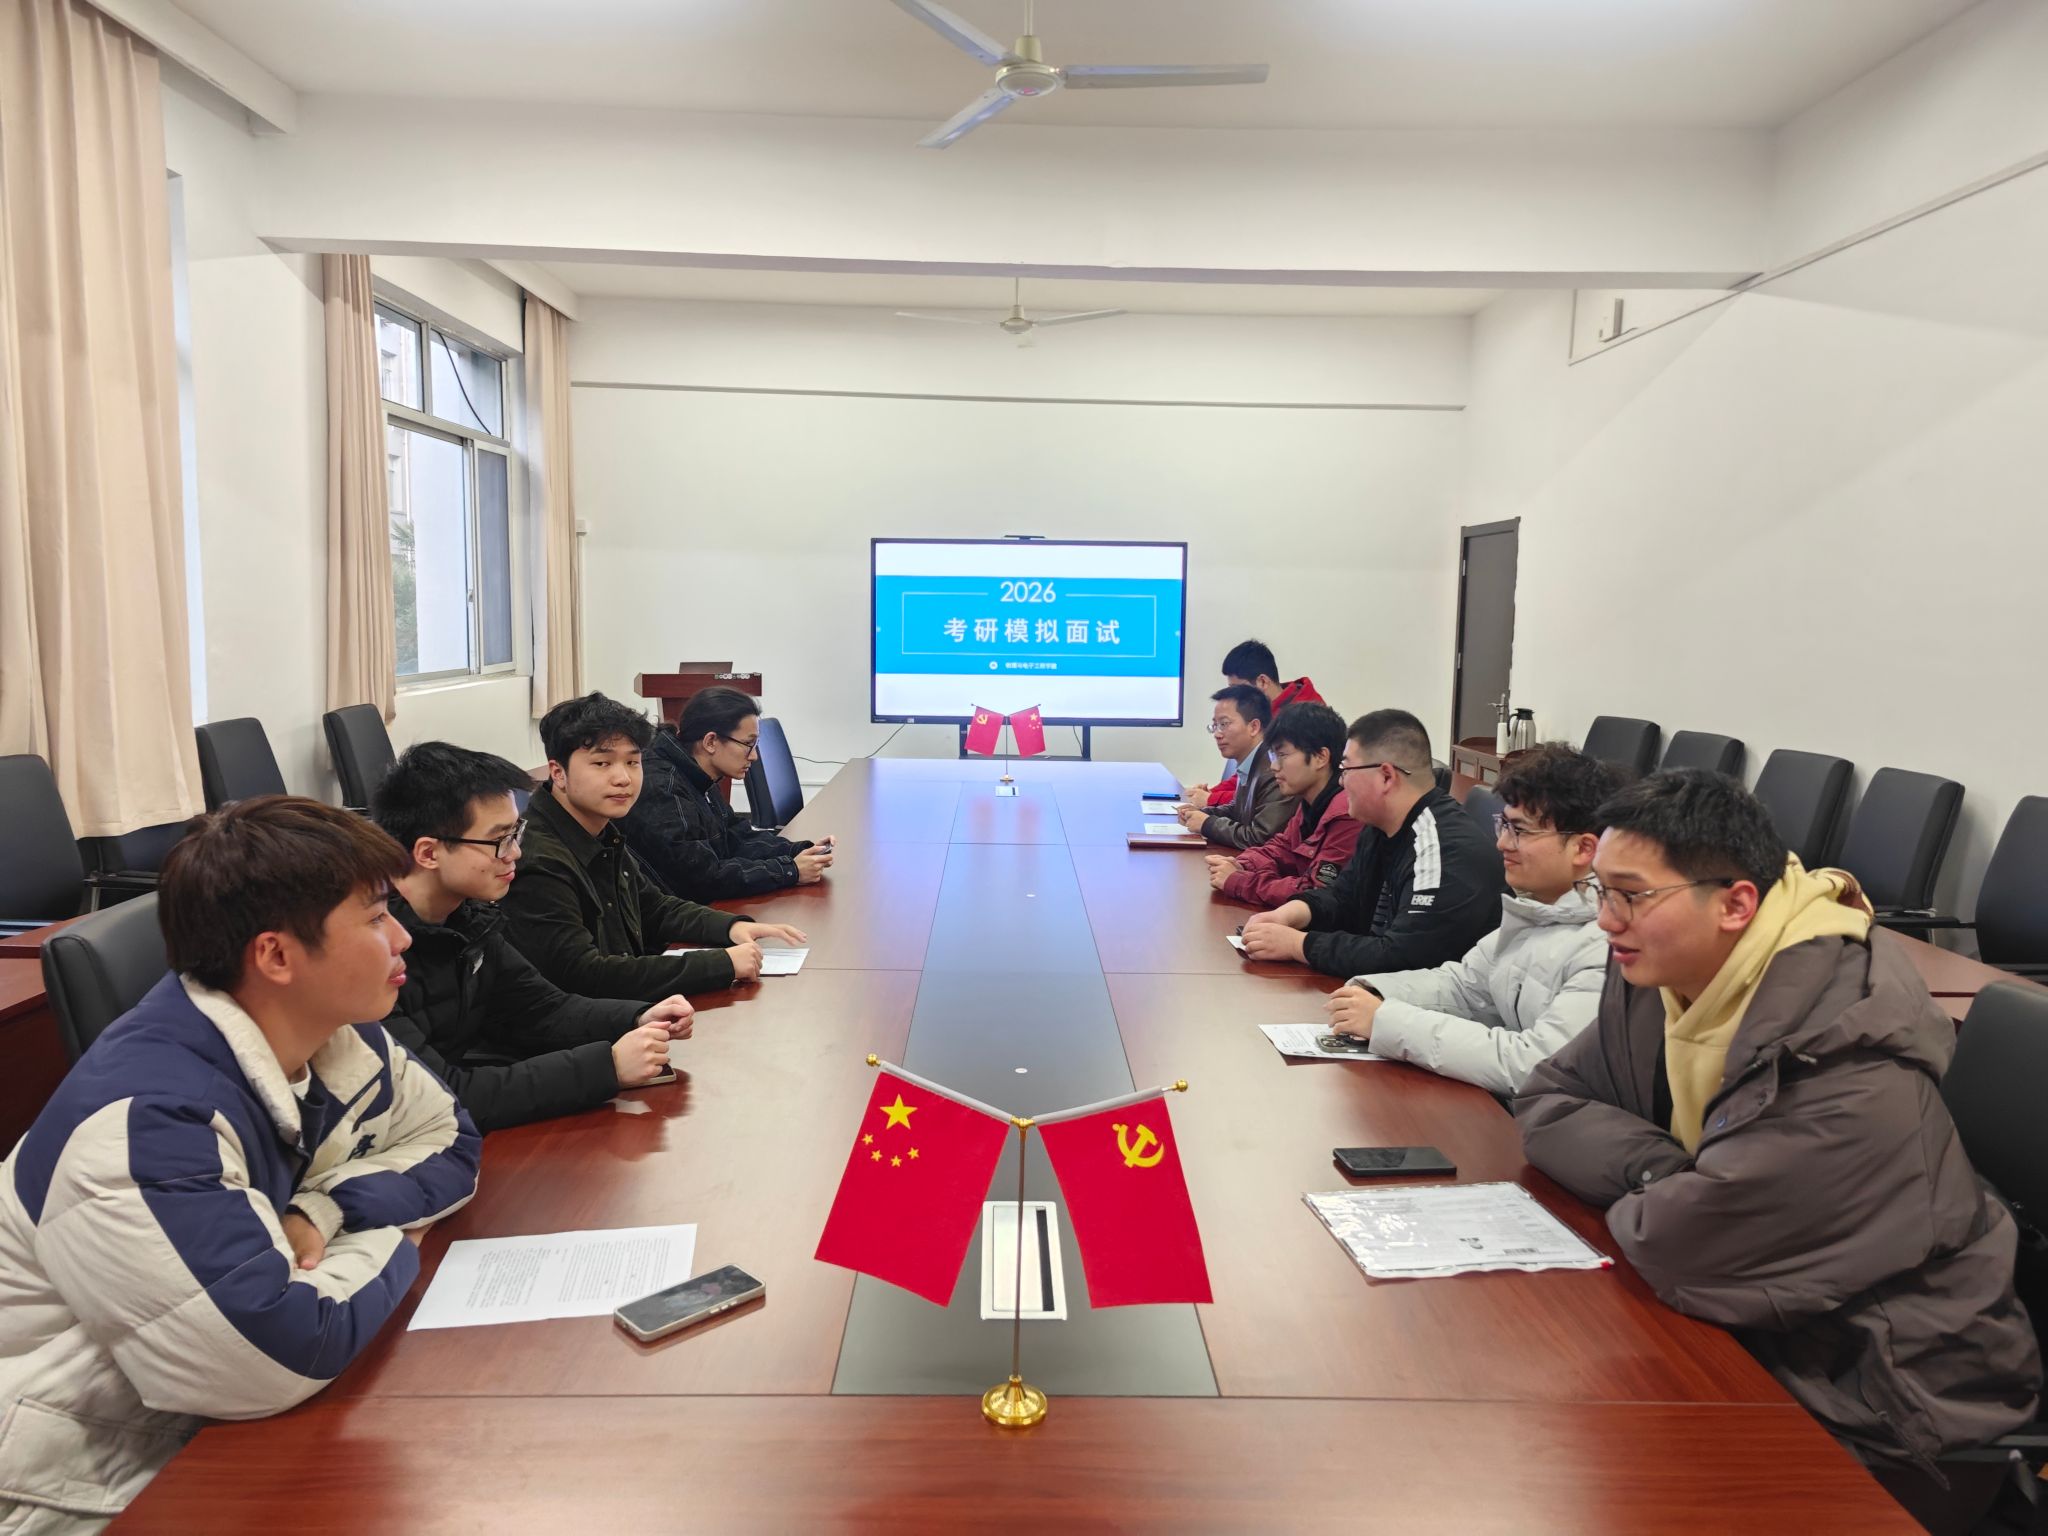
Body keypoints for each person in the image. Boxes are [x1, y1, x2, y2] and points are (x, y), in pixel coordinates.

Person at [1515, 770, 2040, 1526]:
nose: (1605, 920)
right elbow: (1547, 1100)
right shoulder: (1667, 974)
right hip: (1766, 1339)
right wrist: (1666, 1170)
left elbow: (1680, 1245)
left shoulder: (1845, 1050)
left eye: (1630, 895)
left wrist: (1677, 1193)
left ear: (1736, 905)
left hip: (1891, 1413)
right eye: (1600, 891)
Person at [0, 796, 481, 1531]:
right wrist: (398, 1237)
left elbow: (451, 1139)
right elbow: (276, 1354)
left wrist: (327, 1209)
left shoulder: (332, 1028)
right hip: (68, 1482)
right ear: (277, 956)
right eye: (375, 917)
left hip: (189, 1429)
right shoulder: (147, 1124)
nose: (401, 937)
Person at [372, 742, 698, 1133]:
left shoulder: (469, 917)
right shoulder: (372, 951)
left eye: (516, 833)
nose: (515, 854)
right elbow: (442, 1094)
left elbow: (542, 1009)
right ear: (428, 853)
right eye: (499, 840)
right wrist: (607, 1067)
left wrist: (637, 1016)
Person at [1324, 744, 1618, 1094]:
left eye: (1520, 831)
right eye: (1503, 825)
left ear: (1583, 848)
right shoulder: (1536, 907)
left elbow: (1533, 1065)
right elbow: (1463, 986)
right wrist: (1375, 992)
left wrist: (1386, 1020)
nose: (1502, 844)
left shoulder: (1609, 945)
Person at [504, 692, 807, 1002]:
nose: (623, 778)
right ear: (558, 773)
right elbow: (586, 975)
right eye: (602, 763)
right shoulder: (538, 859)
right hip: (596, 1020)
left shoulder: (599, 828)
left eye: (632, 762)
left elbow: (653, 907)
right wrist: (720, 964)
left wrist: (731, 927)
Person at [1241, 708, 1502, 977]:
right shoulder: (1380, 826)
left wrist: (1298, 945)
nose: (1341, 781)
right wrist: (1293, 912)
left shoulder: (1441, 850)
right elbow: (1344, 896)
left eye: (1346, 769)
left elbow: (1402, 958)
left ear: (1386, 776)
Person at [623, 686, 834, 900]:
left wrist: (799, 851)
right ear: (711, 742)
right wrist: (789, 870)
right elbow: (701, 879)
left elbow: (735, 837)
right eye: (748, 744)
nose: (754, 756)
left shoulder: (698, 773)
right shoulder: (663, 789)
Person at [1207, 701, 1360, 906]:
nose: (1274, 766)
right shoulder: (1310, 802)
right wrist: (1242, 864)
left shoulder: (1346, 814)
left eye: (1282, 755)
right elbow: (1280, 849)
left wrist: (1239, 881)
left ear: (1320, 757)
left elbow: (1315, 893)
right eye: (1272, 755)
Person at [1186, 639, 1327, 809]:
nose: (1234, 696)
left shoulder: (1301, 720)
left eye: (1238, 689)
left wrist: (1212, 799)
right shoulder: (1271, 709)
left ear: (1263, 682)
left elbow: (1275, 789)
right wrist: (1211, 793)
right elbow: (1250, 775)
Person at [1176, 684, 1293, 850]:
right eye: (1215, 726)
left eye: (1224, 724)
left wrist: (1207, 824)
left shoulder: (1273, 770)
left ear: (1254, 727)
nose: (1217, 734)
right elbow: (1238, 810)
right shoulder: (1252, 760)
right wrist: (1203, 813)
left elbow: (1261, 838)